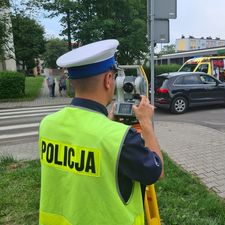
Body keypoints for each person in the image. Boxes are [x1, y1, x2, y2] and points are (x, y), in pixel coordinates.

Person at [38, 39, 164, 225]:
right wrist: (146, 123)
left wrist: (107, 123)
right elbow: (156, 171)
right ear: (108, 80)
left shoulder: (48, 125)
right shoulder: (120, 138)